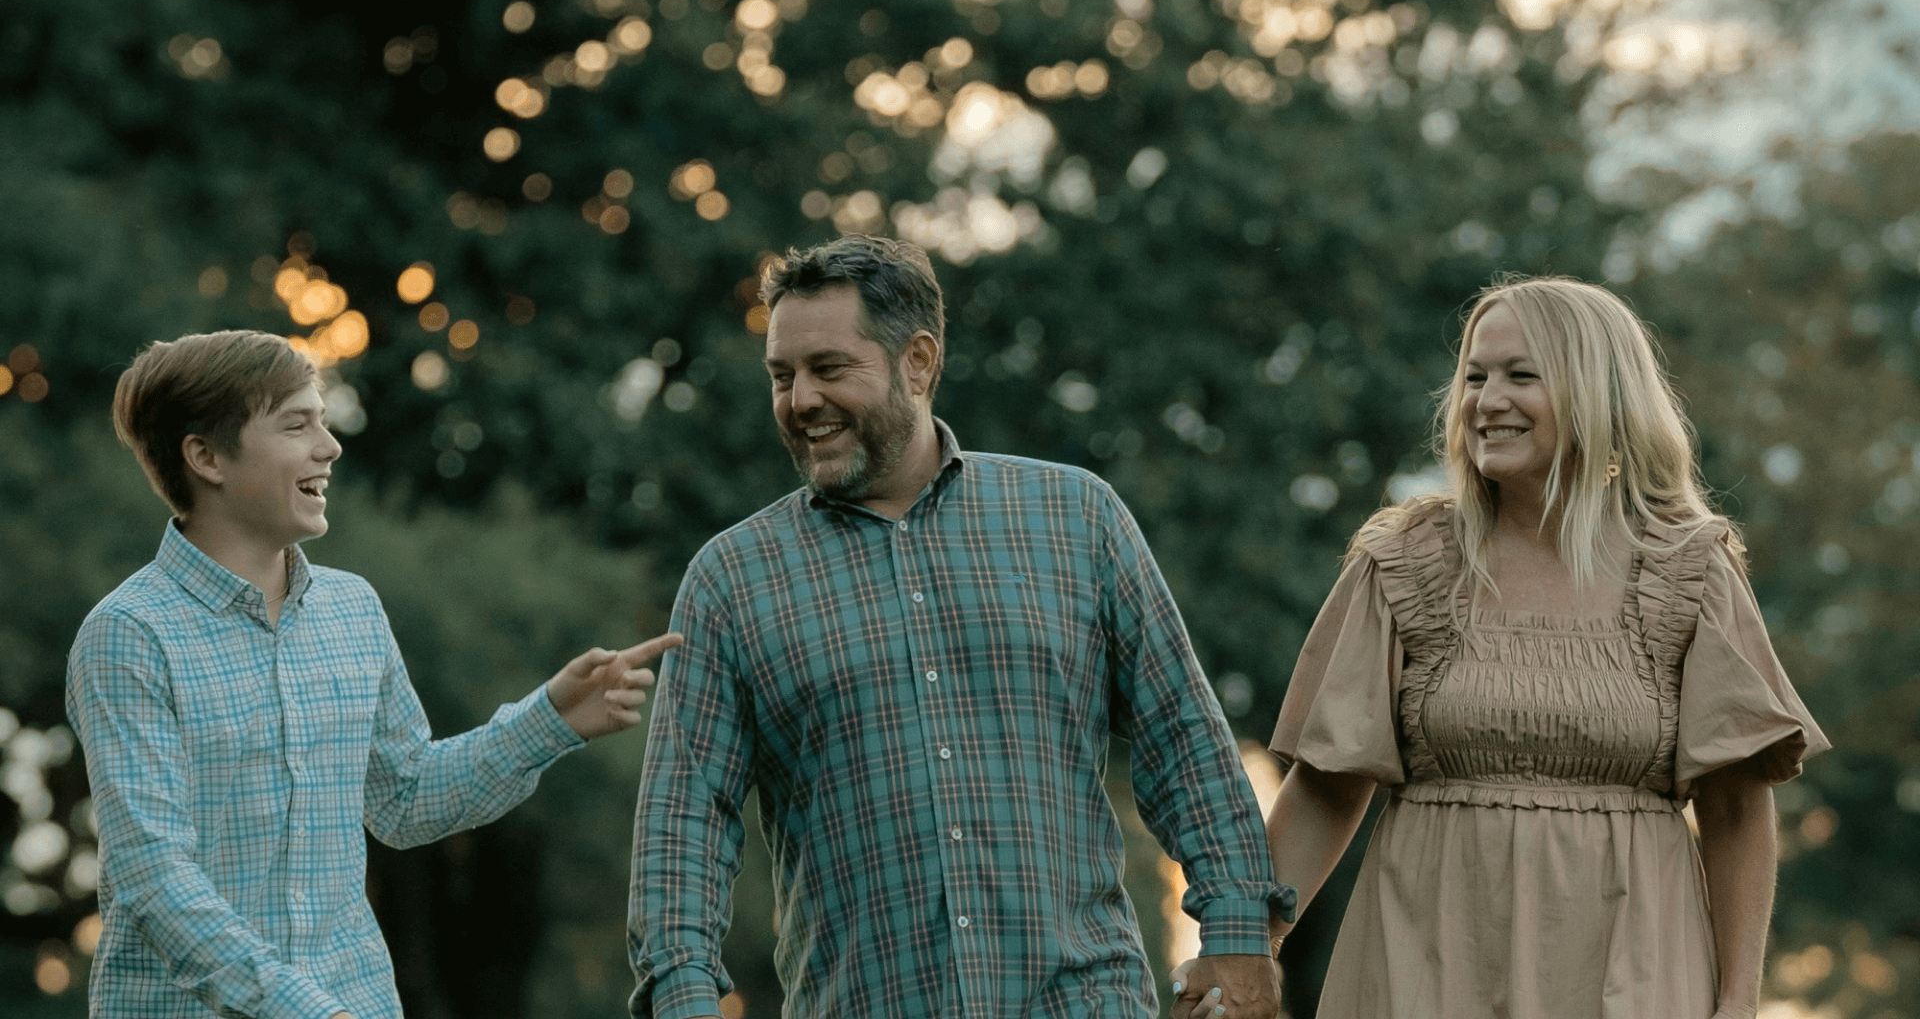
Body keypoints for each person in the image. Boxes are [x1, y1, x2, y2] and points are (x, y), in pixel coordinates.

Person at [627, 234, 1294, 1019]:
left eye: (828, 369)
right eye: (782, 375)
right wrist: (682, 995)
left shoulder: (1077, 520)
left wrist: (1240, 934)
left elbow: (1182, 738)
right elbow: (683, 821)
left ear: (918, 362)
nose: (800, 399)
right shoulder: (732, 580)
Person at [1246, 277, 1828, 1019]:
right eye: (1474, 376)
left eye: (1522, 376)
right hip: (1428, 959)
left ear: (1597, 392)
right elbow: (1328, 787)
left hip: (1636, 964)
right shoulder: (1404, 560)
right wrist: (1246, 945)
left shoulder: (1691, 569)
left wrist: (1738, 999)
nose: (1487, 400)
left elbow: (1739, 807)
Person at [68, 330, 681, 1019]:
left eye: (322, 421)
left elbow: (406, 799)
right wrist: (309, 1012)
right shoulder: (129, 635)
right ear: (205, 455)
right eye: (297, 424)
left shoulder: (352, 608)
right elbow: (154, 878)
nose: (328, 447)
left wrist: (551, 720)